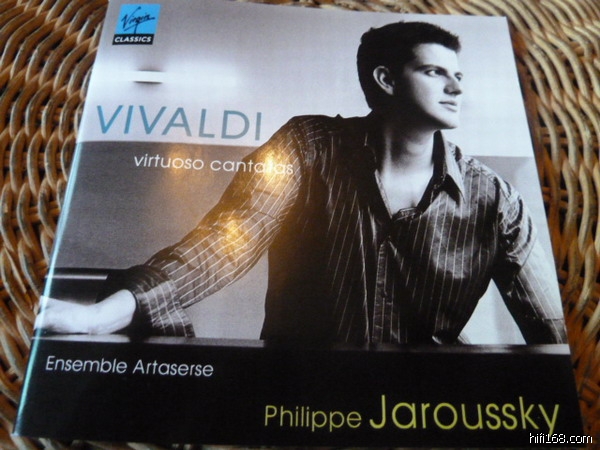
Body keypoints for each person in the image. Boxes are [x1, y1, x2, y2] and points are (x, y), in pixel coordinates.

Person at [36, 21, 566, 345]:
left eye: (459, 76)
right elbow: (224, 243)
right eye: (435, 73)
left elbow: (553, 336)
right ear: (385, 80)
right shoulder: (307, 145)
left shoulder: (496, 200)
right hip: (297, 398)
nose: (456, 88)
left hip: (426, 411)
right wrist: (104, 315)